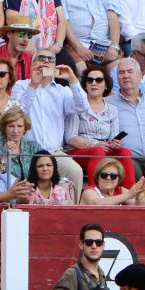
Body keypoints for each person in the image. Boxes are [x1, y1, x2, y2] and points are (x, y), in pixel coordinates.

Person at [10, 50, 87, 194]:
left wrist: (73, 80)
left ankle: (74, 208)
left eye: (50, 59)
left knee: (75, 171)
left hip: (54, 152)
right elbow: (16, 113)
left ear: (55, 65)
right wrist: (33, 85)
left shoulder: (62, 90)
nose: (46, 61)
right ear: (32, 64)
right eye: (41, 58)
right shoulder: (21, 85)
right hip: (27, 152)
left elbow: (82, 107)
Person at [64, 63, 136, 184]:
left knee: (125, 152)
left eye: (98, 80)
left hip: (103, 152)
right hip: (78, 153)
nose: (94, 83)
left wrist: (114, 143)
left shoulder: (112, 109)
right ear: (85, 85)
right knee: (98, 151)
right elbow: (70, 138)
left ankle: (129, 192)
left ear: (106, 85)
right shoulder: (77, 105)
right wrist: (95, 144)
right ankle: (93, 190)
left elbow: (113, 138)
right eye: (90, 80)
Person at [56, 0, 120, 72]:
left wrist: (114, 46)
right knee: (81, 69)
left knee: (120, 69)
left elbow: (113, 17)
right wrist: (78, 47)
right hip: (77, 44)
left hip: (104, 45)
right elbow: (64, 21)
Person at [5, 0, 71, 68]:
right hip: (24, 44)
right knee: (31, 65)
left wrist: (58, 44)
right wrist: (28, 44)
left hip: (52, 45)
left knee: (67, 65)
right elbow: (12, 20)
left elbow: (62, 21)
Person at [50, 223, 108, 290]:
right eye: (89, 242)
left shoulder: (101, 273)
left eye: (98, 242)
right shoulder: (72, 274)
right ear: (81, 244)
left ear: (103, 245)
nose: (94, 246)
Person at [0, 108, 43, 178]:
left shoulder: (34, 147)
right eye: (11, 126)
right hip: (5, 185)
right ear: (4, 128)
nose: (15, 131)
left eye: (20, 126)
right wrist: (5, 157)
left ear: (25, 129)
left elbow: (46, 169)